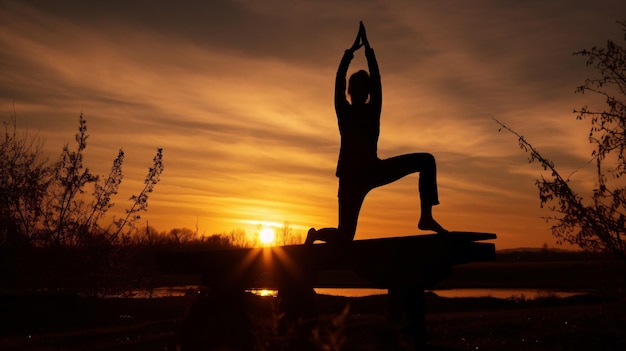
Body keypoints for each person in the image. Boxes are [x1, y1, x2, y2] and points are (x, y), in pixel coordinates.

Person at [306, 22, 447, 246]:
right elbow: (340, 82)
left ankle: (426, 217)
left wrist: (363, 51)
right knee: (345, 236)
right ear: (353, 92)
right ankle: (315, 235)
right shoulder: (346, 112)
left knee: (426, 161)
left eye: (365, 88)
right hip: (352, 180)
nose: (362, 92)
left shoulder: (371, 110)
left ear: (367, 92)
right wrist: (354, 52)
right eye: (359, 88)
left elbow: (371, 81)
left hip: (372, 170)